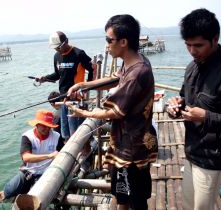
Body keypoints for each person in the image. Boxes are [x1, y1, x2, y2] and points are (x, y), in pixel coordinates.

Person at [66, 14, 158, 210]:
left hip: (132, 150)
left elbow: (115, 112)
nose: (106, 44)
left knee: (136, 201)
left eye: (109, 40)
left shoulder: (138, 73)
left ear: (123, 41)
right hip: (123, 145)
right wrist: (83, 85)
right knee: (121, 196)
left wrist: (83, 114)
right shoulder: (133, 62)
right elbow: (114, 79)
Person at [167, 8, 221, 210]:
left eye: (198, 45)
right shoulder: (192, 67)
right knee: (189, 205)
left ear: (215, 39)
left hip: (213, 159)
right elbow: (183, 97)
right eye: (188, 45)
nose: (192, 51)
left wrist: (206, 116)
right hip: (191, 152)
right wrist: (174, 107)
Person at [39, 31, 96, 142]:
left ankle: (86, 153)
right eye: (55, 48)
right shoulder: (56, 56)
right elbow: (57, 75)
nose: (57, 50)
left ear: (66, 41)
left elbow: (93, 69)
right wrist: (45, 78)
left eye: (59, 47)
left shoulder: (79, 54)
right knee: (66, 133)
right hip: (64, 98)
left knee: (78, 133)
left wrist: (85, 89)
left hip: (76, 99)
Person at [0, 109, 63, 200]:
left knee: (37, 197)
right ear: (36, 124)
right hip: (29, 171)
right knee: (8, 191)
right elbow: (26, 157)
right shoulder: (27, 136)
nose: (47, 128)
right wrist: (49, 156)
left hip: (46, 172)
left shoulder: (57, 136)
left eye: (49, 126)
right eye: (44, 126)